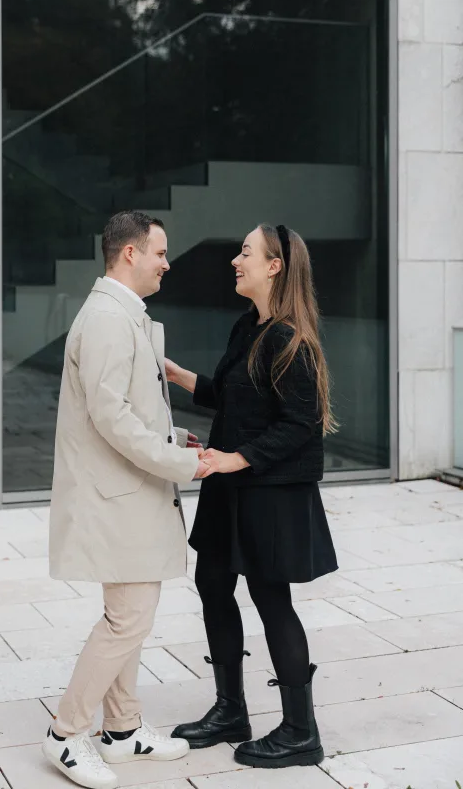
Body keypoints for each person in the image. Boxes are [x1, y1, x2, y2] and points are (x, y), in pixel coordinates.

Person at [44, 211, 209, 789]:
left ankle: (121, 730)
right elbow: (111, 417)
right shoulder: (109, 320)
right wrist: (183, 462)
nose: (168, 262)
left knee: (130, 618)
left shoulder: (123, 316)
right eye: (160, 252)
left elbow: (131, 408)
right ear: (130, 255)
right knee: (128, 618)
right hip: (116, 496)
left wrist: (174, 438)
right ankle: (67, 734)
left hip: (130, 492)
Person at [167, 223, 337, 770]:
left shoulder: (290, 338)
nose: (235, 261)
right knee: (212, 582)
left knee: (271, 600)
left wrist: (237, 457)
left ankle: (299, 731)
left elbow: (301, 424)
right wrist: (172, 374)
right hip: (229, 485)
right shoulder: (250, 328)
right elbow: (228, 393)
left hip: (268, 491)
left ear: (274, 266)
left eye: (245, 252)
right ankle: (230, 711)